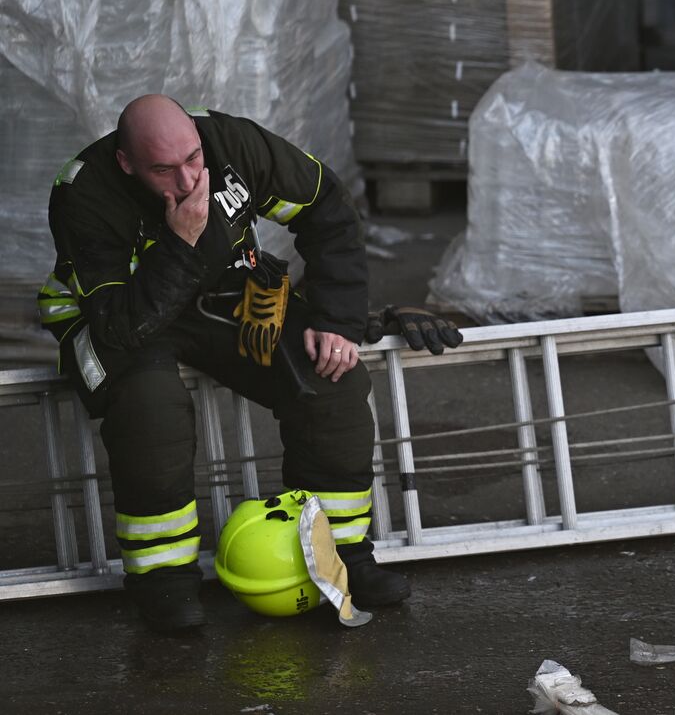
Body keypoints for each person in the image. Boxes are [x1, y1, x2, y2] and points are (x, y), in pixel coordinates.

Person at [36, 95, 462, 632]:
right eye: (164, 170)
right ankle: (163, 581)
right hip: (115, 315)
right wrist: (183, 239)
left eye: (193, 159)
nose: (189, 180)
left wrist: (337, 318)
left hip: (218, 294)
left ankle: (342, 555)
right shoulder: (83, 191)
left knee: (331, 376)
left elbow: (326, 205)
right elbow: (125, 327)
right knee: (151, 410)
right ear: (126, 163)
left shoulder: (233, 144)